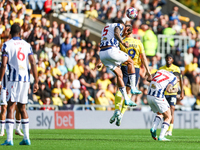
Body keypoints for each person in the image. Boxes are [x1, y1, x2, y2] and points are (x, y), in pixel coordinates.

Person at [0, 23, 39, 146]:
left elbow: (4, 64)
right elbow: (33, 62)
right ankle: (27, 138)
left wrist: (0, 80)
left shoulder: (6, 45)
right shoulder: (27, 45)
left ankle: (9, 139)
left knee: (11, 107)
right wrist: (36, 81)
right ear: (21, 33)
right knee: (22, 108)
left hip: (13, 79)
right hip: (25, 79)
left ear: (10, 33)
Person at [110, 24, 151, 126]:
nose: (122, 32)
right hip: (135, 70)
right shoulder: (138, 43)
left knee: (120, 89)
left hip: (124, 67)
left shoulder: (121, 42)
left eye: (124, 30)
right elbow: (144, 58)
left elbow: (114, 53)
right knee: (129, 91)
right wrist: (148, 71)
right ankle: (122, 114)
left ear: (127, 31)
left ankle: (117, 110)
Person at [98, 19, 141, 109]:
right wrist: (122, 42)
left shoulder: (105, 28)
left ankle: (126, 98)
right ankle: (133, 87)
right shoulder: (119, 25)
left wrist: (100, 61)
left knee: (119, 74)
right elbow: (117, 33)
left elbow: (107, 41)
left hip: (102, 54)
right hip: (111, 51)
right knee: (130, 62)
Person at [148, 70, 181, 141]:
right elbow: (168, 89)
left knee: (160, 113)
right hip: (158, 96)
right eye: (178, 81)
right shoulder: (174, 78)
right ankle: (161, 136)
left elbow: (149, 78)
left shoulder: (161, 71)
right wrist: (175, 90)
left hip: (149, 96)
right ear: (177, 78)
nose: (177, 82)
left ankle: (154, 127)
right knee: (168, 116)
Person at [159, 54, 184, 136]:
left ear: (173, 60)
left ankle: (170, 130)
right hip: (164, 92)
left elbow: (180, 80)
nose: (168, 60)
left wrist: (182, 91)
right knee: (165, 112)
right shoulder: (161, 69)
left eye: (170, 58)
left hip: (173, 93)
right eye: (167, 58)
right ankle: (165, 129)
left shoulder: (176, 68)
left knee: (172, 109)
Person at [0, 63, 24, 137]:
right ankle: (2, 130)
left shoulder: (14, 63)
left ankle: (17, 128)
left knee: (18, 108)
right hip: (4, 88)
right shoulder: (2, 64)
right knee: (4, 108)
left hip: (14, 87)